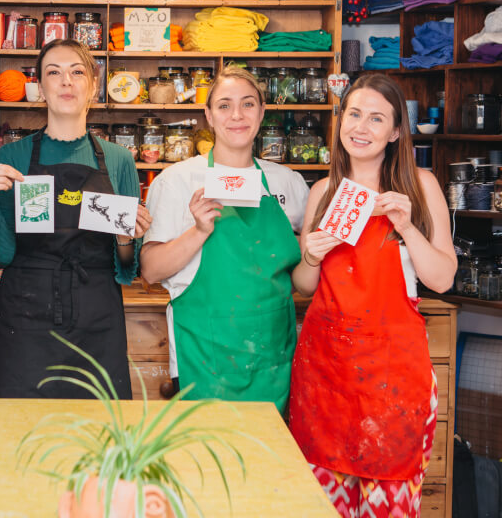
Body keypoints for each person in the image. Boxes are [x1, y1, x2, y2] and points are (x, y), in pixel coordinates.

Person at [287, 73, 457, 518]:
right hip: (325, 375)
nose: (360, 127)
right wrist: (310, 255)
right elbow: (305, 287)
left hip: (393, 374)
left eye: (376, 118)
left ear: (396, 131)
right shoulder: (324, 192)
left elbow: (442, 278)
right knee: (320, 506)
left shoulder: (421, 186)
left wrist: (405, 226)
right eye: (354, 114)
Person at [0, 38, 152, 399]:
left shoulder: (118, 160)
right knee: (21, 432)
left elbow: (127, 269)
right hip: (24, 317)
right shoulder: (14, 155)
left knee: (99, 435)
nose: (66, 81)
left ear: (93, 85)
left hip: (97, 315)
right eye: (53, 73)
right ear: (40, 88)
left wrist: (125, 238)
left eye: (77, 72)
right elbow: (0, 256)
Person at [140, 65, 309, 408]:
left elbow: (303, 274)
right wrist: (199, 230)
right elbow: (151, 270)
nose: (237, 115)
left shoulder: (287, 182)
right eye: (224, 105)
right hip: (205, 354)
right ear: (208, 115)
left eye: (248, 104)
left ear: (262, 113)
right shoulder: (176, 181)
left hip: (272, 355)